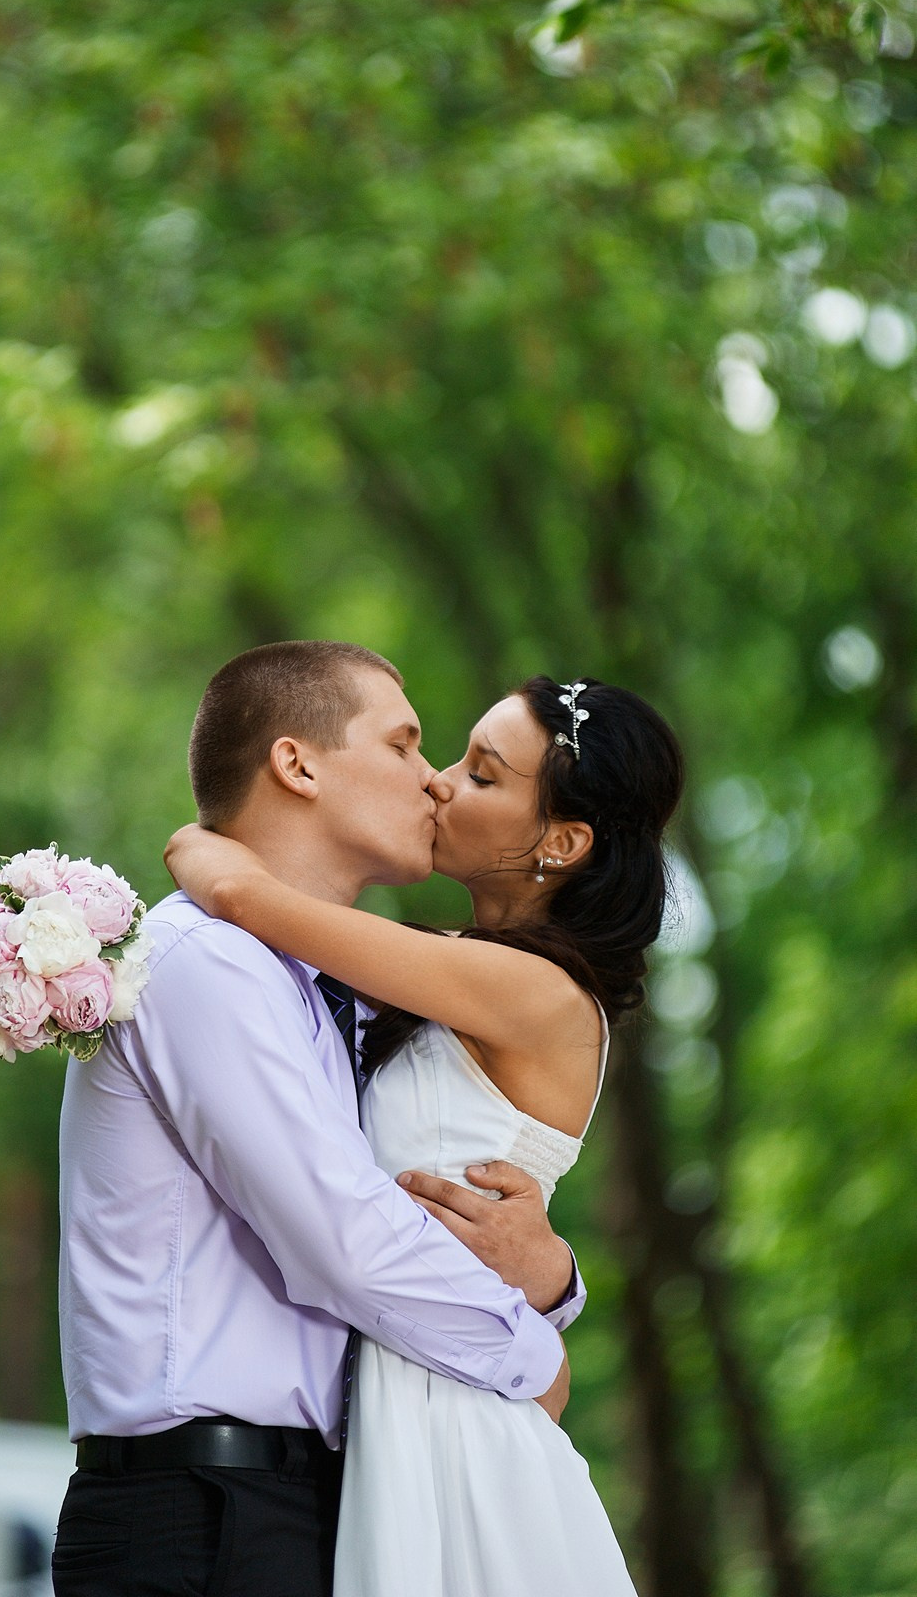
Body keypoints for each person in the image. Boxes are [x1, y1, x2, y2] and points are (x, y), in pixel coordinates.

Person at [54, 642, 582, 1597]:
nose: (435, 784)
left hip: (305, 1502)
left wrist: (554, 1280)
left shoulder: (323, 989)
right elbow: (342, 1238)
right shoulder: (203, 963)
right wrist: (531, 1348)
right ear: (297, 765)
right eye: (406, 745)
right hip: (202, 1514)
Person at [166, 673, 685, 1597]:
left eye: (482, 776)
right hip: (401, 1403)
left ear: (560, 843)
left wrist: (191, 841)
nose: (440, 781)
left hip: (458, 1424)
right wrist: (557, 1290)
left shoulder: (531, 992)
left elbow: (247, 898)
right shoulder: (446, 978)